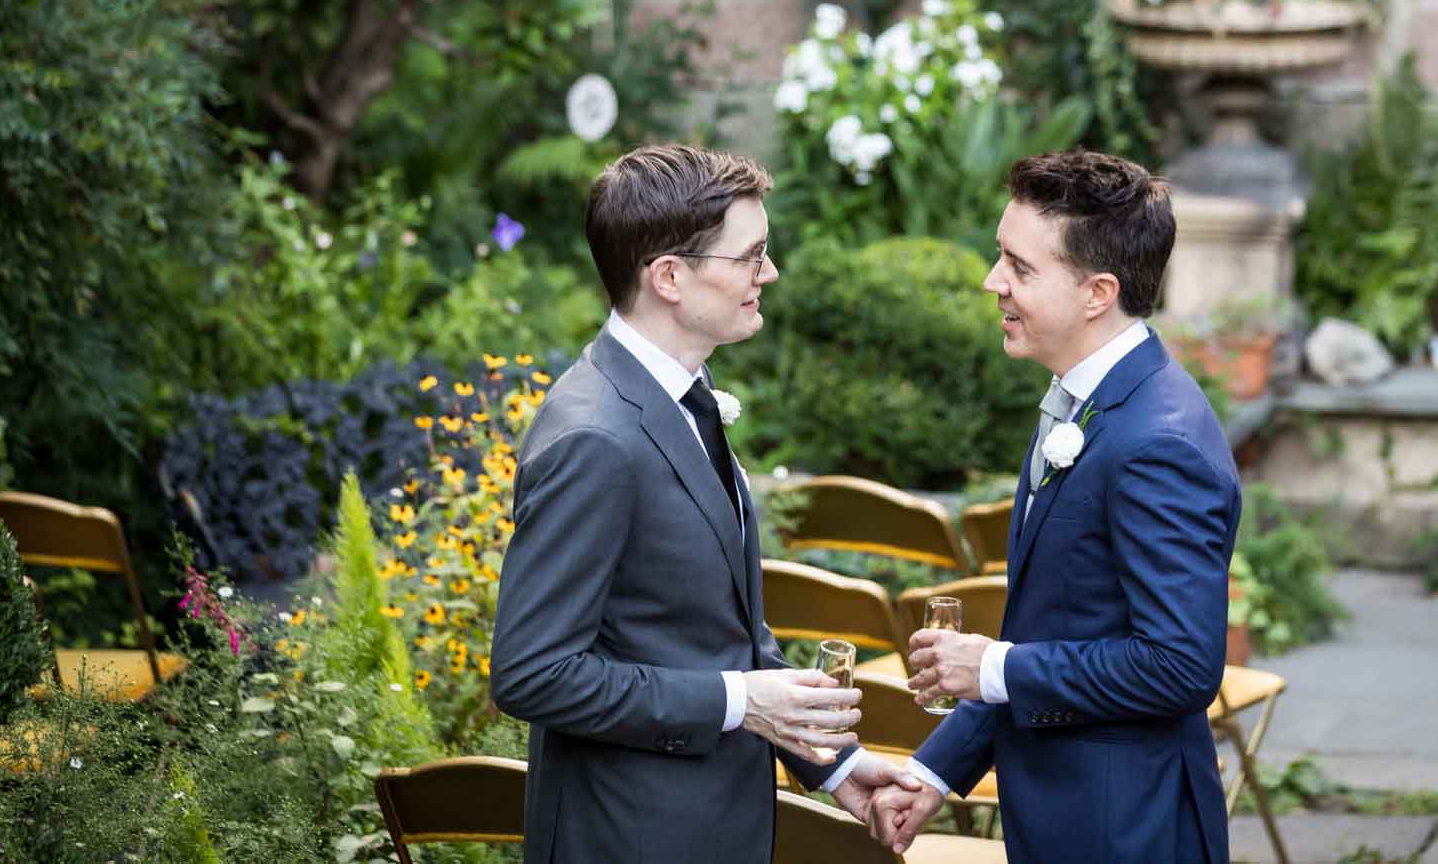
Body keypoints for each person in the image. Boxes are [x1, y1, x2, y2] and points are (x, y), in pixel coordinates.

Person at [491, 143, 916, 863]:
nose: (769, 273)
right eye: (750, 256)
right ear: (669, 277)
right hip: (627, 837)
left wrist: (830, 763)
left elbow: (721, 630)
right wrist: (740, 700)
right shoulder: (594, 436)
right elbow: (533, 672)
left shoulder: (685, 392)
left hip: (714, 829)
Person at [870, 150, 1242, 863]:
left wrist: (993, 668)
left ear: (1097, 291)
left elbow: (1180, 665)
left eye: (1019, 266)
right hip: (1065, 816)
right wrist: (933, 770)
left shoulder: (1156, 441)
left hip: (1126, 828)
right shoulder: (1083, 399)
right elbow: (1052, 626)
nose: (993, 281)